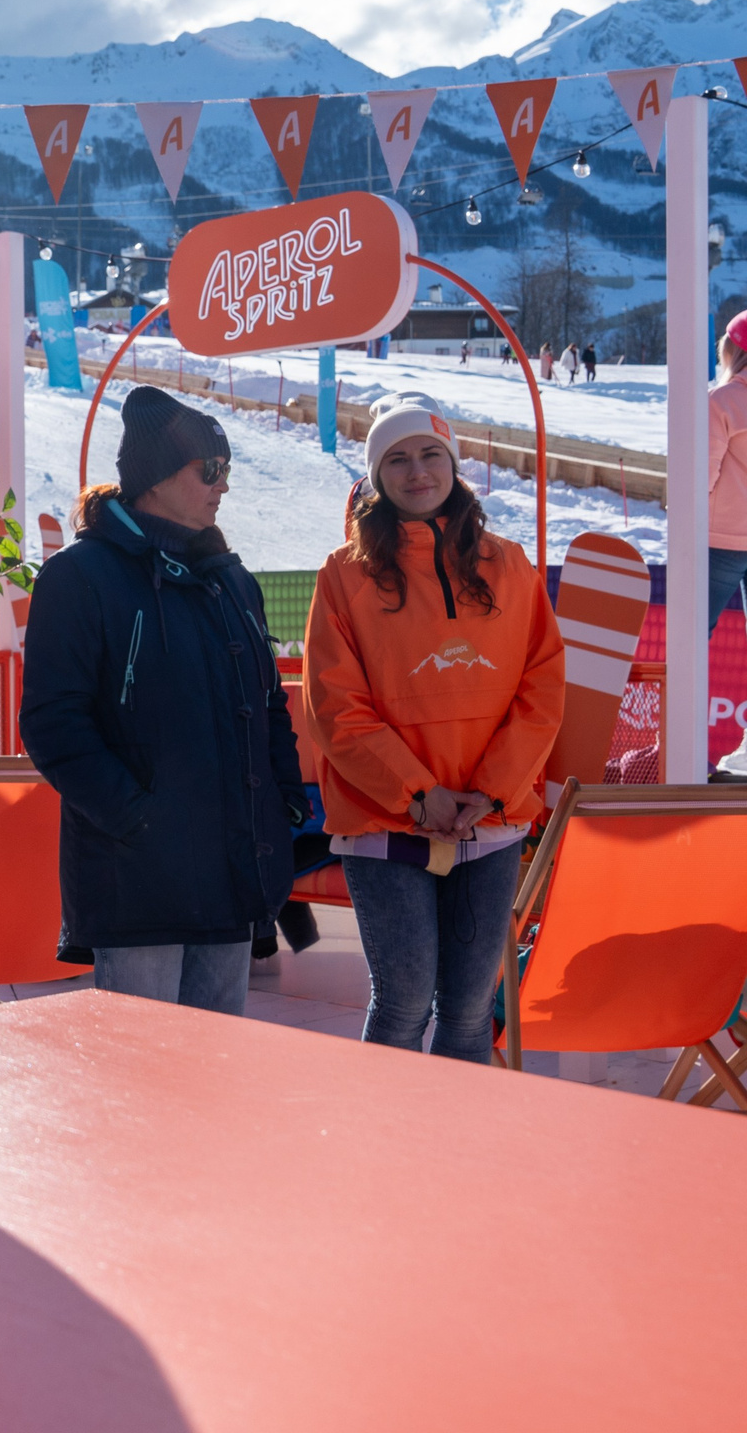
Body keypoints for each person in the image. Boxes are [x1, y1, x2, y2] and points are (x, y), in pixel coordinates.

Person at [18, 386, 304, 1015]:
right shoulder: (79, 576)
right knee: (140, 1081)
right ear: (154, 478)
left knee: (216, 1079)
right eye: (209, 470)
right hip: (138, 881)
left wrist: (282, 808)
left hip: (234, 871)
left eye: (226, 470)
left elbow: (269, 706)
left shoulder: (230, 579)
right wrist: (137, 820)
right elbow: (52, 723)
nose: (222, 486)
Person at [302, 391, 564, 1061]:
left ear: (452, 463)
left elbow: (541, 687)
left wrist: (492, 791)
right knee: (403, 1003)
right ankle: (385, 1159)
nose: (417, 471)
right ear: (375, 476)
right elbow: (336, 705)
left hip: (491, 818)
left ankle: (459, 1161)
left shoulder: (509, 565)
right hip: (385, 819)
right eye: (397, 459)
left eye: (430, 454)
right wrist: (418, 793)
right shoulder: (344, 575)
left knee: (472, 1010)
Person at [711, 315, 747, 777]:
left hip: (720, 540)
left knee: (694, 640)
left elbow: (701, 475)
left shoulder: (722, 401)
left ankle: (681, 748)